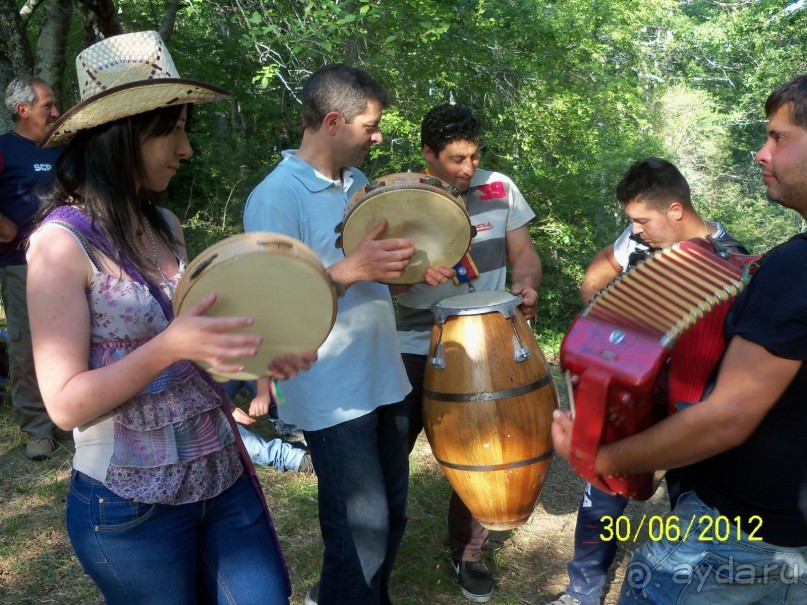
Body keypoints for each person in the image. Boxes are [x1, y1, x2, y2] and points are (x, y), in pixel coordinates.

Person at [27, 31, 315, 605]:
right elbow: (63, 404)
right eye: (174, 129)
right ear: (123, 133)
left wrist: (260, 354)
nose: (186, 148)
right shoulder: (60, 245)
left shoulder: (166, 225)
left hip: (220, 478)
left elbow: (194, 348)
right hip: (131, 508)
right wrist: (172, 345)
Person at [552, 76, 807, 604]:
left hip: (735, 535)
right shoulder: (778, 266)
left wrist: (600, 458)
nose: (762, 153)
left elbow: (725, 419)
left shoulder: (784, 268)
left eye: (779, 138)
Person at [244, 64, 450, 605]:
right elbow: (270, 301)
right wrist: (350, 269)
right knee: (359, 532)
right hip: (330, 391)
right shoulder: (275, 197)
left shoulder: (359, 185)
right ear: (334, 121)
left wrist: (412, 269)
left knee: (392, 516)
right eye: (371, 126)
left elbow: (377, 278)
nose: (378, 138)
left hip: (382, 373)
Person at [548, 157, 747, 605]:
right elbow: (601, 272)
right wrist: (603, 327)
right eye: (631, 221)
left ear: (675, 211)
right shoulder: (639, 238)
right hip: (630, 395)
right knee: (603, 490)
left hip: (689, 410)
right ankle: (582, 592)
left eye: (642, 220)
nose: (635, 230)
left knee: (690, 498)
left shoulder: (733, 263)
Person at [396, 103, 542, 603]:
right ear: (427, 156)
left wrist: (526, 287)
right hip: (411, 347)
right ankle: (369, 556)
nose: (469, 168)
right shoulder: (398, 199)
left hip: (486, 344)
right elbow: (373, 280)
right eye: (457, 158)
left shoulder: (500, 189)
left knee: (487, 451)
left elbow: (524, 256)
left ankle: (468, 553)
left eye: (474, 156)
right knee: (388, 457)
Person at [0, 75, 63, 460]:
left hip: (75, 261)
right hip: (21, 265)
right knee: (27, 346)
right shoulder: (5, 149)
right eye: (48, 106)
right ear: (23, 110)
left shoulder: (65, 149)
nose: (57, 112)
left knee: (81, 335)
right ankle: (38, 427)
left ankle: (78, 411)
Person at [225, 379, 313, 473]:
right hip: (209, 402)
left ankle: (291, 428)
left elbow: (255, 365)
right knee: (220, 427)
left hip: (216, 381)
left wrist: (263, 393)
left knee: (251, 372)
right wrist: (227, 408)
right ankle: (298, 460)